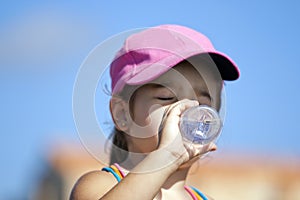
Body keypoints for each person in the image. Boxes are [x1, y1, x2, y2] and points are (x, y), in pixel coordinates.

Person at [70, 24, 239, 200]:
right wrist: (167, 156)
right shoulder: (99, 185)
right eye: (167, 97)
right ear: (122, 114)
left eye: (203, 104)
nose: (187, 110)